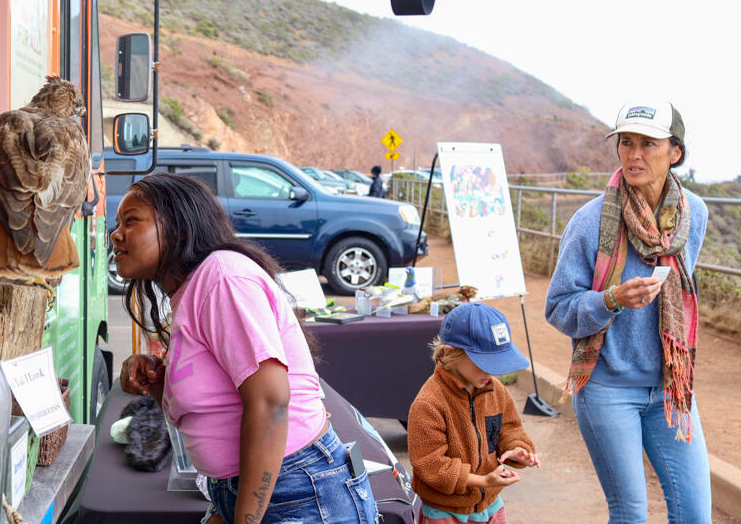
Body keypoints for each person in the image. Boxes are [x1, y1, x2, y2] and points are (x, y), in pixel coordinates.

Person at [112, 172, 378, 524]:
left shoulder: (223, 278)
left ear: (179, 228)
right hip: (256, 489)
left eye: (131, 222)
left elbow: (270, 402)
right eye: (116, 224)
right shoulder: (192, 292)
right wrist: (155, 376)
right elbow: (207, 413)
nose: (115, 234)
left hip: (299, 493)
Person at [545, 100, 710, 523]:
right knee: (631, 513)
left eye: (648, 144)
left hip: (672, 389)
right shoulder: (590, 222)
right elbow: (558, 308)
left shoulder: (695, 214)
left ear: (675, 152)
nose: (634, 154)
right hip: (607, 388)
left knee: (694, 514)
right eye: (626, 142)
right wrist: (611, 300)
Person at [407, 302, 540, 524]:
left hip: (490, 505)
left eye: (496, 362)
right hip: (445, 513)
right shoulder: (429, 404)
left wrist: (517, 449)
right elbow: (430, 464)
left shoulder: (496, 390)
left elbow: (510, 429)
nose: (490, 371)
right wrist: (481, 481)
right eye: (483, 363)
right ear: (450, 353)